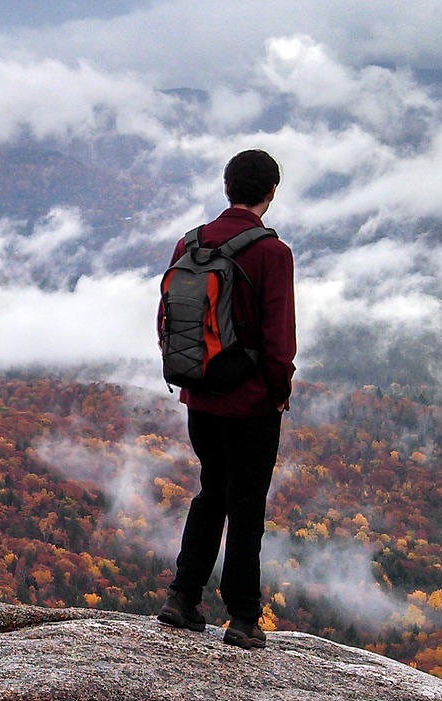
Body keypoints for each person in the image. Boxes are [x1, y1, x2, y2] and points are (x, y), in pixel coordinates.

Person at [156, 149, 296, 650]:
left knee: (210, 491)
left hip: (200, 398)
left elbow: (172, 321)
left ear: (227, 187)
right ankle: (241, 617)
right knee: (246, 505)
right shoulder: (271, 253)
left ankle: (182, 597)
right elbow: (279, 341)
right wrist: (279, 394)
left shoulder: (189, 243)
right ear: (271, 192)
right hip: (251, 404)